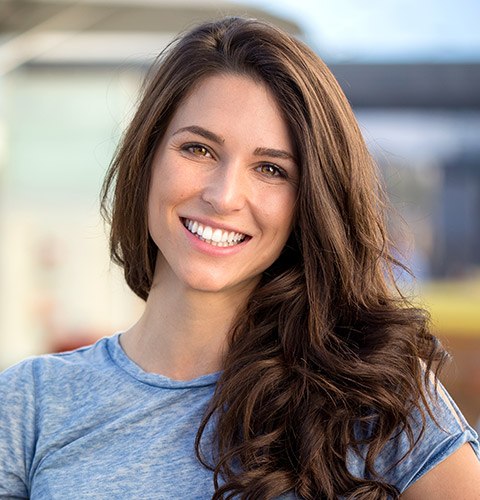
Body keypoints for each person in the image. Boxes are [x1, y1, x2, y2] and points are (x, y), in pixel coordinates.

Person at [0, 16, 479, 499]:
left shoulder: (377, 394)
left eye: (270, 169)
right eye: (199, 149)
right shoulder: (30, 405)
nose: (224, 195)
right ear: (147, 157)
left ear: (308, 200)